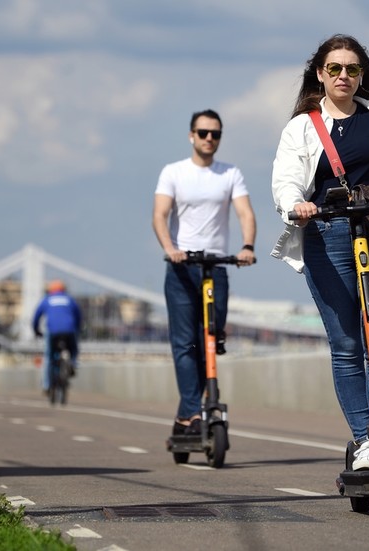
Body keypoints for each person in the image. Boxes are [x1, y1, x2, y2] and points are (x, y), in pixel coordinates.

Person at [270, 34, 369, 472]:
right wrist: (295, 204)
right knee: (345, 345)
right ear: (320, 74)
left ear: (363, 75)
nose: (344, 76)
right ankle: (364, 441)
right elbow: (285, 180)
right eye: (335, 69)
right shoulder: (302, 126)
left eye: (353, 69)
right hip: (328, 235)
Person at [152, 108, 257, 437]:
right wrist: (170, 249)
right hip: (182, 269)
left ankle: (189, 414)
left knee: (209, 340)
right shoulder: (173, 172)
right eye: (203, 133)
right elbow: (159, 215)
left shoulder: (230, 173)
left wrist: (247, 247)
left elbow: (245, 213)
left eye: (216, 134)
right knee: (185, 344)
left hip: (215, 268)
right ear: (191, 135)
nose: (209, 139)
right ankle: (191, 412)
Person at [32, 280, 82, 395]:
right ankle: (73, 363)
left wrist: (36, 330)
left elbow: (36, 317)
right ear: (63, 289)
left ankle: (46, 385)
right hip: (69, 330)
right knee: (74, 349)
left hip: (52, 331)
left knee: (48, 357)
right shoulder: (69, 299)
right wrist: (77, 329)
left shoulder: (47, 299)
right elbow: (78, 315)